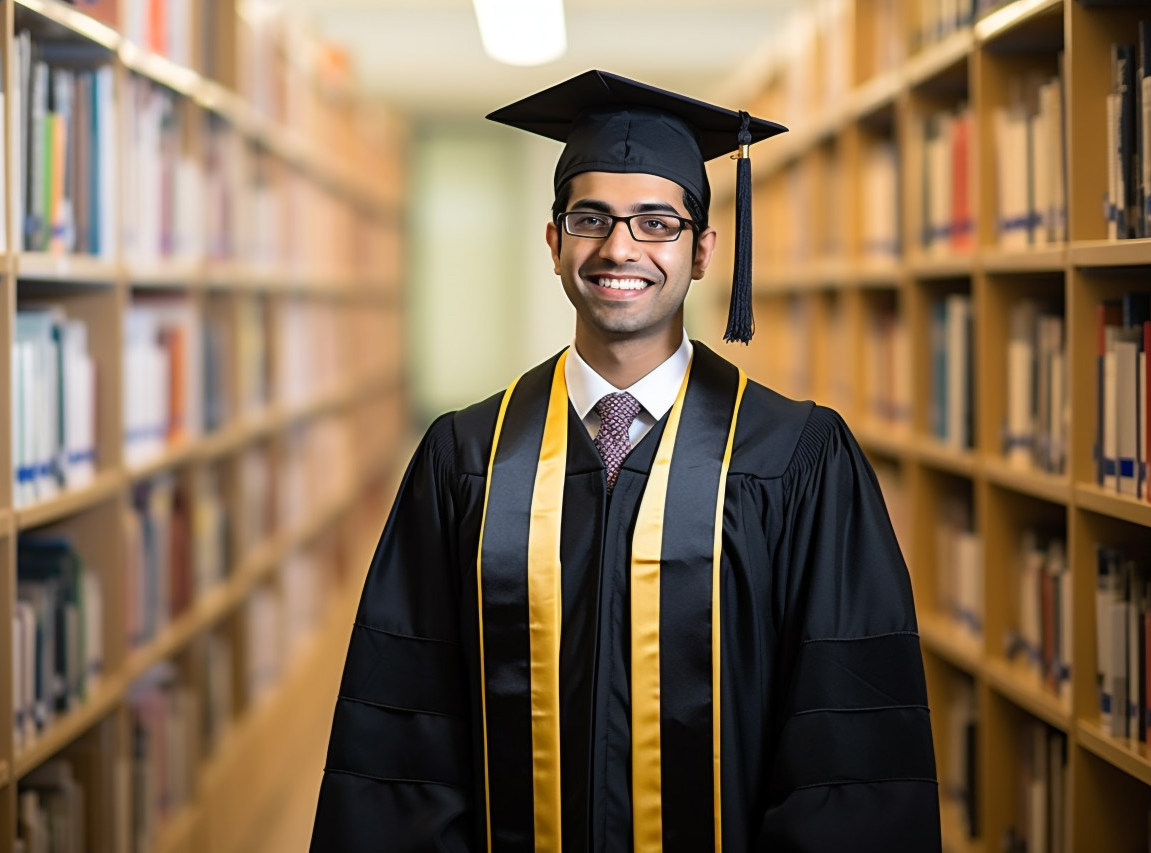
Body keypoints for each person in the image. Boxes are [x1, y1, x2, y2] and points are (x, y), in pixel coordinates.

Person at [310, 70, 939, 853]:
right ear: (553, 243)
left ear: (702, 250)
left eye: (656, 223)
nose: (619, 248)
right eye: (591, 219)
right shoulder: (466, 457)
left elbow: (844, 750)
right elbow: (406, 740)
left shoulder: (797, 461)